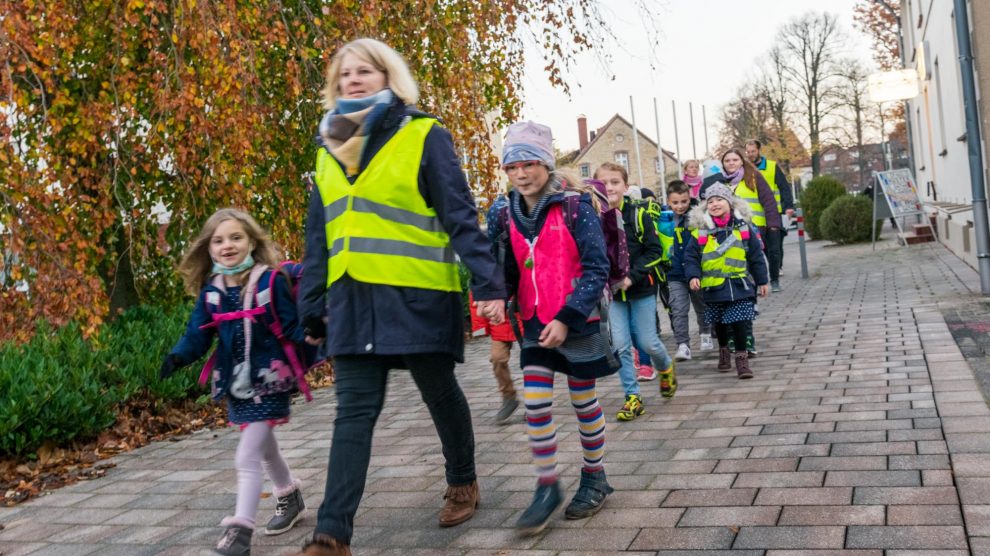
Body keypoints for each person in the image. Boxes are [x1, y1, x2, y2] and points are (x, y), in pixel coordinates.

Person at [292, 38, 506, 556]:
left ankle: (463, 479)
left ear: (389, 77)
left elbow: (459, 215)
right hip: (350, 303)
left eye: (365, 70)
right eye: (345, 74)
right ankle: (332, 534)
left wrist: (488, 284)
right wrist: (310, 304)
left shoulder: (422, 134)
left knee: (438, 391)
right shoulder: (326, 150)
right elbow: (318, 238)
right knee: (353, 413)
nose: (354, 80)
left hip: (416, 295)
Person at [490, 120, 615, 533]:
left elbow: (598, 268)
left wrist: (567, 317)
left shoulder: (575, 206)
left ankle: (594, 476)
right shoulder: (503, 211)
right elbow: (500, 268)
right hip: (533, 324)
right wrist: (492, 294)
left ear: (545, 163)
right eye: (512, 167)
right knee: (537, 406)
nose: (521, 174)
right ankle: (547, 486)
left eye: (528, 164)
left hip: (577, 323)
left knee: (583, 404)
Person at [160, 208, 308, 555]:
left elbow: (291, 326)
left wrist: (316, 333)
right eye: (218, 240)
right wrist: (179, 355)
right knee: (263, 445)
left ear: (252, 242)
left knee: (247, 456)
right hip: (235, 384)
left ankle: (240, 532)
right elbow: (197, 333)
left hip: (270, 379)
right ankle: (289, 494)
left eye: (236, 237)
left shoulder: (270, 281)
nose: (227, 245)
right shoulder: (212, 290)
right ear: (208, 248)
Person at [596, 162, 676, 421]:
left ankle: (665, 368)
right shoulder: (594, 218)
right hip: (614, 295)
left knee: (647, 342)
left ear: (626, 186)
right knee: (620, 345)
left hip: (641, 289)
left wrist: (632, 277)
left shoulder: (638, 215)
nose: (609, 187)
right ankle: (633, 397)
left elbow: (655, 252)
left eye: (615, 182)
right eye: (604, 182)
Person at [684, 184, 769, 379]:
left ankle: (742, 359)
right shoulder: (700, 231)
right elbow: (691, 257)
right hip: (714, 287)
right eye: (710, 201)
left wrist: (762, 280)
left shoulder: (743, 228)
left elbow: (756, 256)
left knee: (739, 322)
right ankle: (724, 351)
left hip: (740, 285)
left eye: (719, 200)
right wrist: (693, 275)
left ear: (730, 203)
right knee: (720, 324)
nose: (715, 204)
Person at [665, 180, 713, 359]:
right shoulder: (664, 219)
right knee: (678, 309)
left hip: (697, 271)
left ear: (689, 198)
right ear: (669, 201)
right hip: (675, 273)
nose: (680, 206)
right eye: (675, 202)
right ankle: (683, 344)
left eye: (684, 201)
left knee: (701, 305)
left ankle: (705, 334)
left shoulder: (697, 216)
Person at [745, 140, 794, 291]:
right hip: (755, 217)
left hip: (774, 213)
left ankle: (775, 279)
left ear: (759, 150)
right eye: (748, 152)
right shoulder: (745, 169)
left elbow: (784, 187)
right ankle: (764, 278)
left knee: (775, 249)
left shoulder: (772, 167)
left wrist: (788, 207)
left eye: (753, 151)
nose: (750, 154)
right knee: (762, 249)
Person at [468, 290, 519, 423]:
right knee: (497, 358)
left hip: (525, 321)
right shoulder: (487, 273)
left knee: (533, 363)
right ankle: (509, 397)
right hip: (499, 323)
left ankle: (536, 403)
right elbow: (476, 299)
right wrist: (480, 329)